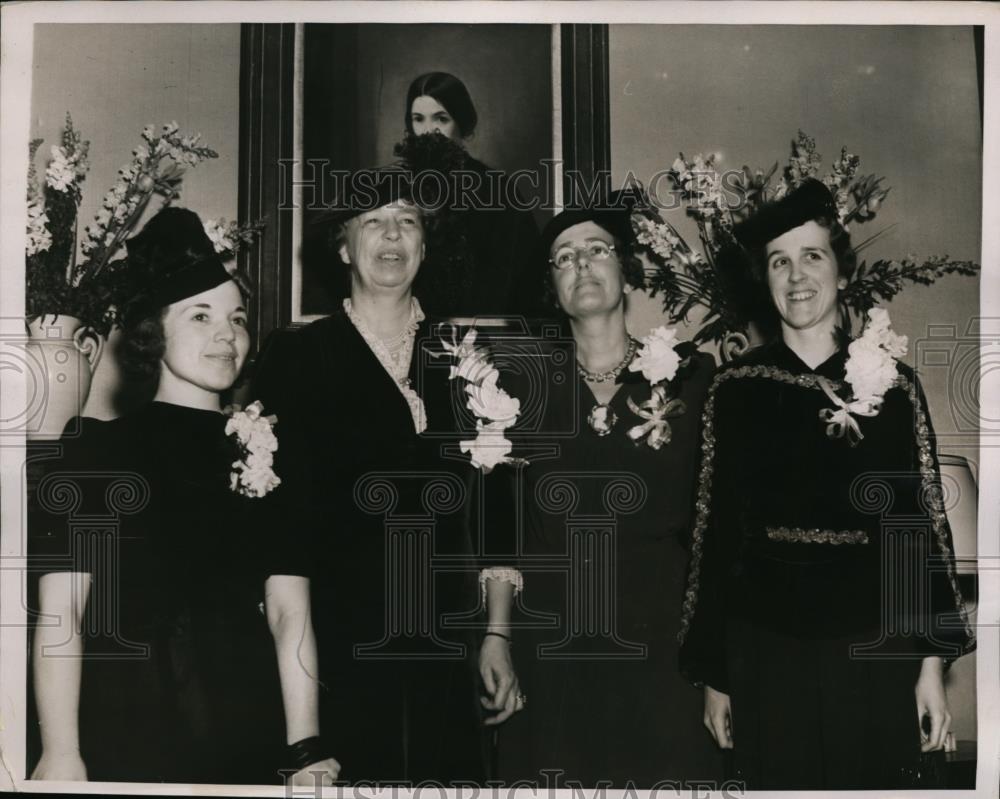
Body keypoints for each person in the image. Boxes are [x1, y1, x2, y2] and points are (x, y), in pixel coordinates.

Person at [677, 179, 976, 790]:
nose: (795, 276)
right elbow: (712, 535)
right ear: (764, 281)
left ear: (842, 274)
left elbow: (917, 530)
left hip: (873, 642)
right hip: (765, 644)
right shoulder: (734, 389)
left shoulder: (893, 388)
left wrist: (927, 664)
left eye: (812, 255)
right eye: (778, 262)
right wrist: (716, 674)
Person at [29, 208, 339, 785]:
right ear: (153, 330)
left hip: (245, 729)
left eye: (239, 318)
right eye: (202, 315)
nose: (228, 334)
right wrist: (61, 752)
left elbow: (290, 614)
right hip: (125, 723)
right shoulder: (96, 452)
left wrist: (306, 751)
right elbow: (62, 613)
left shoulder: (270, 452)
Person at [251, 169, 523, 784]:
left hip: (451, 646)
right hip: (339, 642)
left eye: (407, 221)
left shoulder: (467, 359)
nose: (392, 234)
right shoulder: (298, 356)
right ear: (344, 246)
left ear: (425, 246)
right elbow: (281, 532)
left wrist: (498, 635)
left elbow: (495, 510)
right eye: (372, 221)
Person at [495, 196, 722, 787]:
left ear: (627, 272)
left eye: (598, 250)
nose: (582, 265)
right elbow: (498, 529)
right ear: (551, 286)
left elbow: (720, 527)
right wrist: (496, 638)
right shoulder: (516, 385)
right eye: (563, 258)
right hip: (550, 640)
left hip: (662, 640)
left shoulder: (690, 378)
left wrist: (720, 662)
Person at [400, 71, 543, 319]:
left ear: (461, 123)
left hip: (483, 333)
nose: (428, 130)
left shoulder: (496, 189)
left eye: (441, 119)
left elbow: (520, 276)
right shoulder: (395, 189)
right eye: (418, 119)